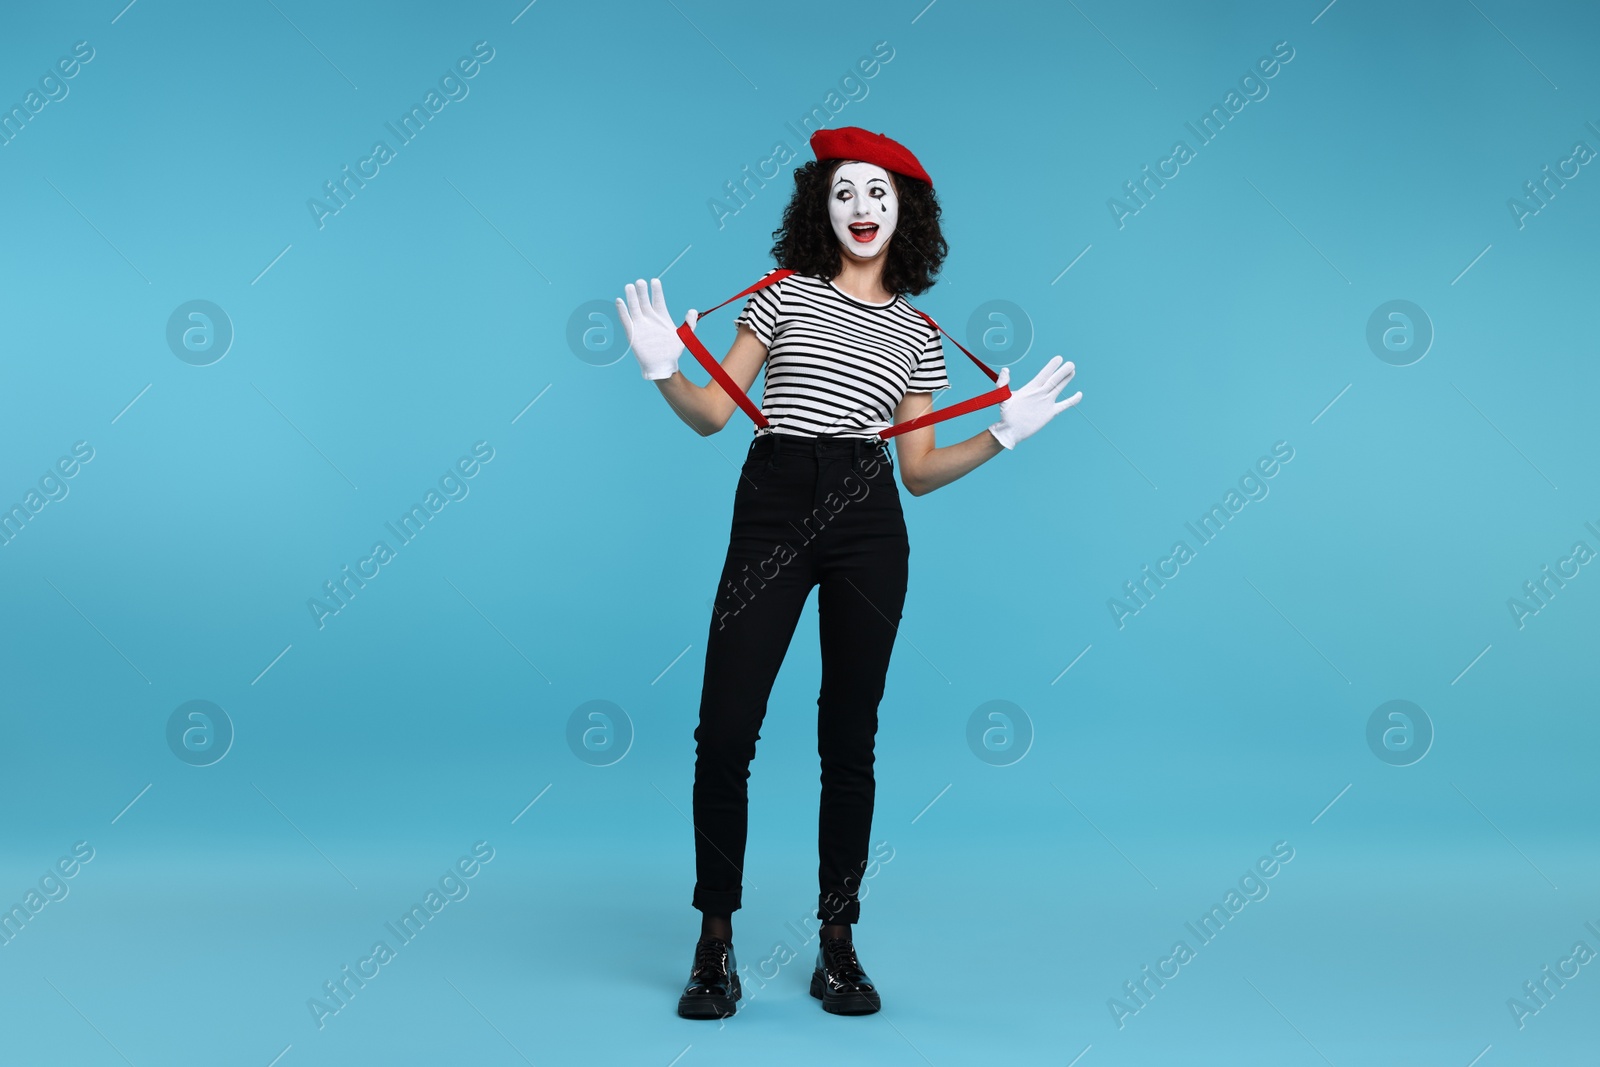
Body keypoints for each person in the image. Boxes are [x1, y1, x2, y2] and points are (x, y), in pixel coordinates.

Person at [615, 126, 1081, 1019]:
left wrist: (1003, 434)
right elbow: (715, 414)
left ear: (904, 210)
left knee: (849, 736)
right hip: (775, 496)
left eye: (878, 192)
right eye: (843, 192)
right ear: (818, 208)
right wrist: (663, 372)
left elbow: (920, 469)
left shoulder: (918, 331)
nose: (861, 208)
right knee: (725, 728)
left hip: (870, 515)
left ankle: (837, 943)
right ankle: (714, 944)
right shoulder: (781, 297)